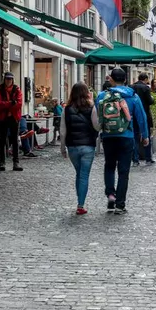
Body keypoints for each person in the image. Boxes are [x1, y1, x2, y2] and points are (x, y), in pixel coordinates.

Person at [95, 68, 149, 214]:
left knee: (109, 166)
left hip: (108, 136)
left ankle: (110, 194)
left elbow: (96, 116)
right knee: (124, 171)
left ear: (111, 80)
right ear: (125, 80)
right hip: (127, 136)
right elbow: (141, 117)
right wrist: (145, 136)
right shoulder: (132, 96)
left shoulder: (102, 96)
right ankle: (120, 204)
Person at [60, 82, 99, 215]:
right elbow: (97, 126)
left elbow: (63, 130)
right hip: (88, 146)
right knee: (83, 175)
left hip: (72, 147)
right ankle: (80, 205)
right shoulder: (92, 107)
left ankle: (80, 202)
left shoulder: (67, 108)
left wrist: (62, 148)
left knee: (79, 173)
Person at [0, 72, 23, 171]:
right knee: (2, 140)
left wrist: (7, 106)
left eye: (10, 79)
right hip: (2, 118)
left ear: (12, 80)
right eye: (7, 79)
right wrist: (11, 103)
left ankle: (16, 162)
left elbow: (19, 104)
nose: (8, 81)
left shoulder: (17, 89)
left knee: (15, 140)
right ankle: (2, 162)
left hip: (14, 117)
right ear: (4, 79)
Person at [132, 73, 155, 166]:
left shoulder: (131, 87)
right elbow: (150, 101)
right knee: (146, 135)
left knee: (135, 137)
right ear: (145, 79)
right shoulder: (146, 88)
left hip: (133, 115)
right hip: (144, 113)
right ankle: (148, 158)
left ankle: (135, 160)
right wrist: (152, 99)